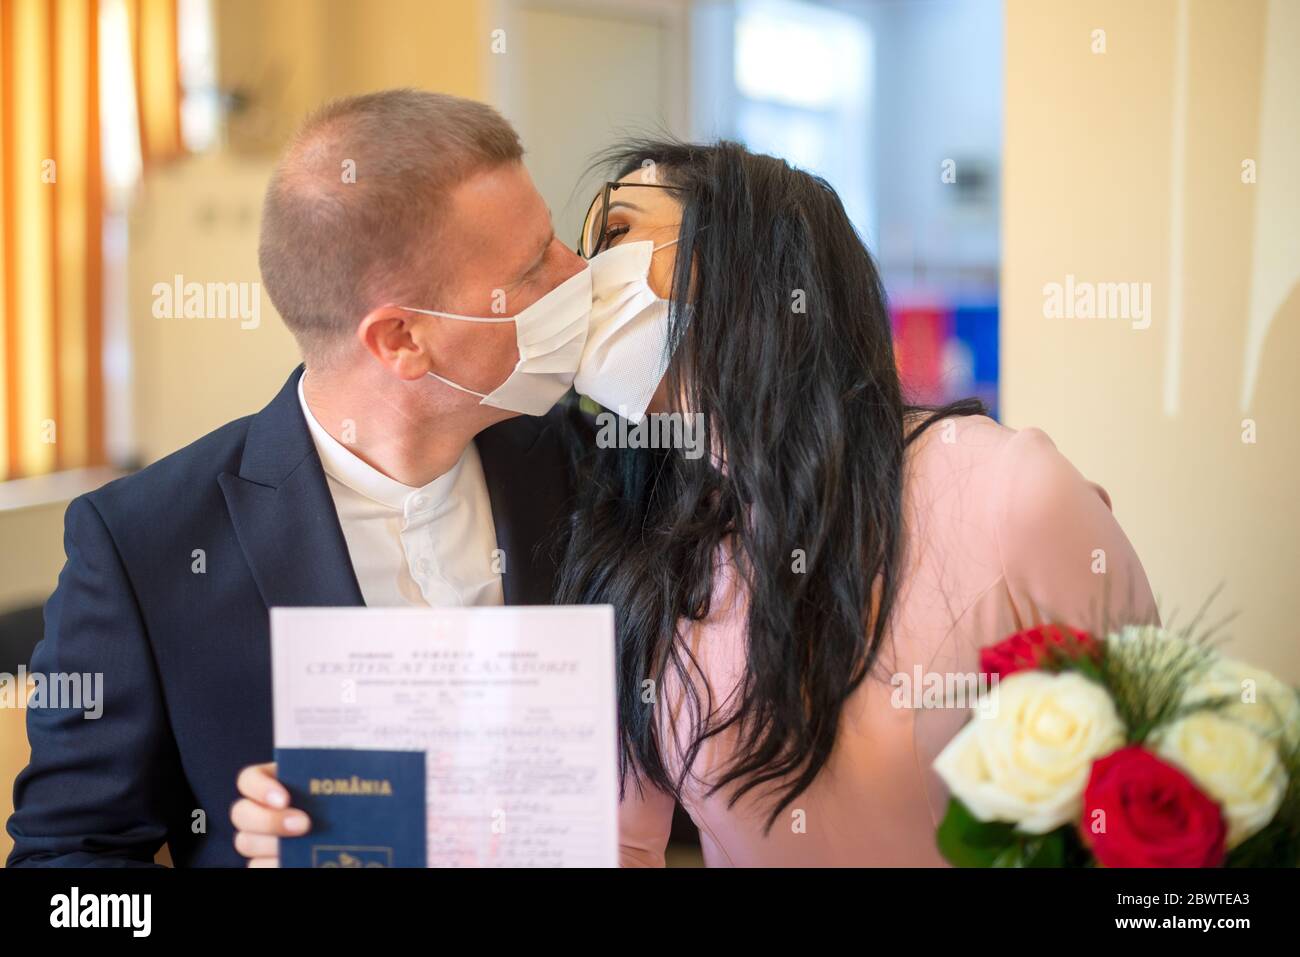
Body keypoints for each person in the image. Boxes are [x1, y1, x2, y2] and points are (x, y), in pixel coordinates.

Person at [7, 89, 591, 867]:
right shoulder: (143, 548)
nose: (575, 272)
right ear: (401, 339)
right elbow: (64, 883)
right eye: (533, 266)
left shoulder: (589, 463)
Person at [556, 139, 1160, 866]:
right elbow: (616, 841)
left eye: (616, 233)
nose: (578, 274)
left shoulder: (1012, 493)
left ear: (744, 259)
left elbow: (1165, 788)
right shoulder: (641, 540)